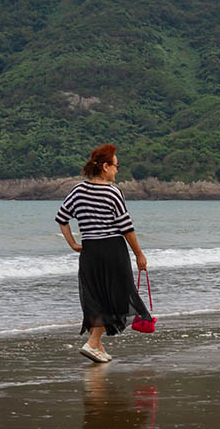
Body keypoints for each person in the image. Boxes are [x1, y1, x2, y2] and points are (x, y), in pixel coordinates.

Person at [56, 144, 152, 363]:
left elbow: (62, 218)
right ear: (105, 167)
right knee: (115, 294)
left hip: (89, 251)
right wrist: (139, 254)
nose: (118, 170)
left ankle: (97, 346)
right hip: (112, 250)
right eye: (116, 165)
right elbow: (126, 226)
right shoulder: (112, 192)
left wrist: (73, 243)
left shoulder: (78, 190)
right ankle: (91, 343)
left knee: (95, 295)